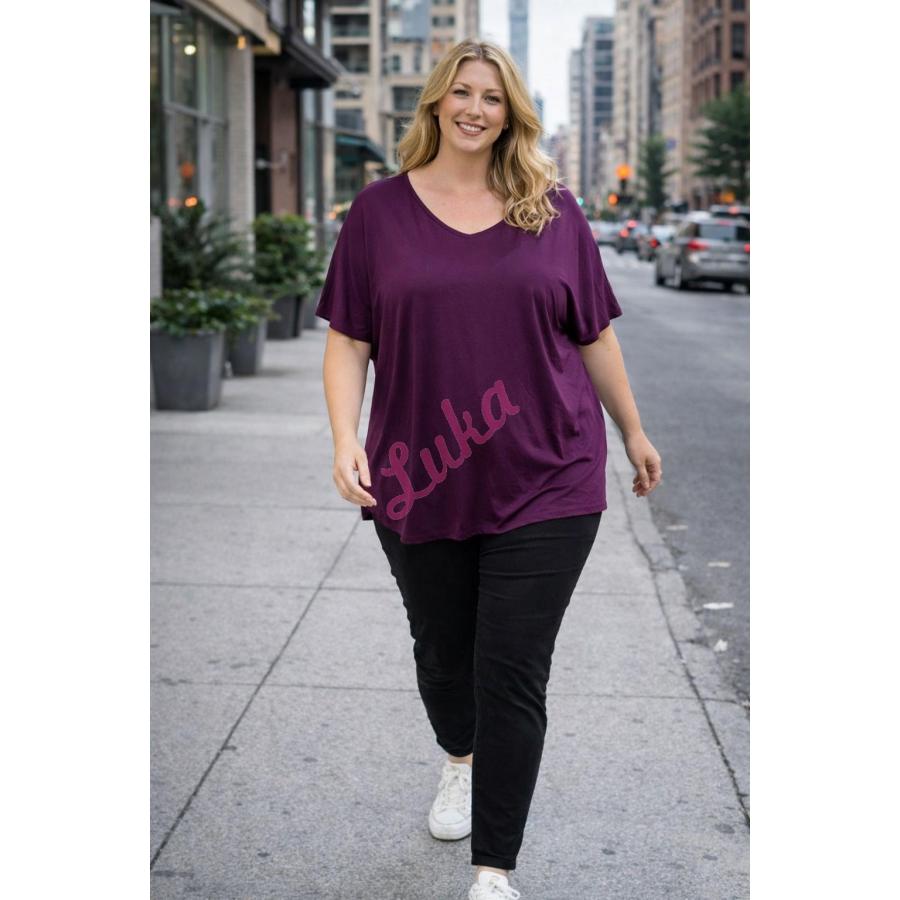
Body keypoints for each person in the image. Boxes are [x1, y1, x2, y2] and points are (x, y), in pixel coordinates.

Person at [316, 39, 662, 900]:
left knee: (512, 670)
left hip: (550, 472)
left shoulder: (553, 210)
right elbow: (349, 339)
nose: (476, 108)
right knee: (443, 654)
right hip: (421, 473)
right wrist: (344, 436)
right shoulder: (379, 212)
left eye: (494, 97)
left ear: (512, 114)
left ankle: (493, 870)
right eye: (463, 92)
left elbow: (594, 334)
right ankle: (458, 758)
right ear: (437, 102)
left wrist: (632, 431)